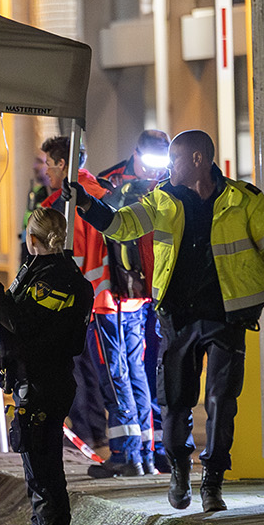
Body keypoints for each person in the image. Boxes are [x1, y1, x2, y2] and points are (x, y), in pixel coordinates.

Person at [85, 129, 264, 514]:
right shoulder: (163, 197)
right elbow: (123, 225)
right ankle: (180, 472)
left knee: (222, 403)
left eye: (175, 160)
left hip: (226, 318)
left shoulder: (243, 200)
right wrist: (87, 206)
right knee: (176, 404)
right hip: (178, 320)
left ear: (198, 159)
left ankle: (213, 483)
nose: (169, 168)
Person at [0, 208, 91, 525]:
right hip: (37, 380)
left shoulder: (54, 279)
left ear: (32, 239)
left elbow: (26, 323)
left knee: (44, 470)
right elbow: (24, 316)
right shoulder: (46, 273)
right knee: (38, 466)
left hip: (43, 382)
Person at [39, 134, 134, 478]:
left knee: (109, 379)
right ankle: (132, 452)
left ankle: (125, 454)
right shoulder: (102, 192)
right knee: (122, 377)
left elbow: (71, 260)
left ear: (63, 164)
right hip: (114, 302)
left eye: (50, 165)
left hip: (91, 305)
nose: (46, 171)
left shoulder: (65, 204)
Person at [95, 129, 171, 473]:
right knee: (135, 370)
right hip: (131, 292)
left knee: (159, 373)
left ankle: (157, 450)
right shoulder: (110, 183)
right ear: (136, 154)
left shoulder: (175, 180)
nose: (156, 172)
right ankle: (138, 451)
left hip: (165, 291)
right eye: (151, 163)